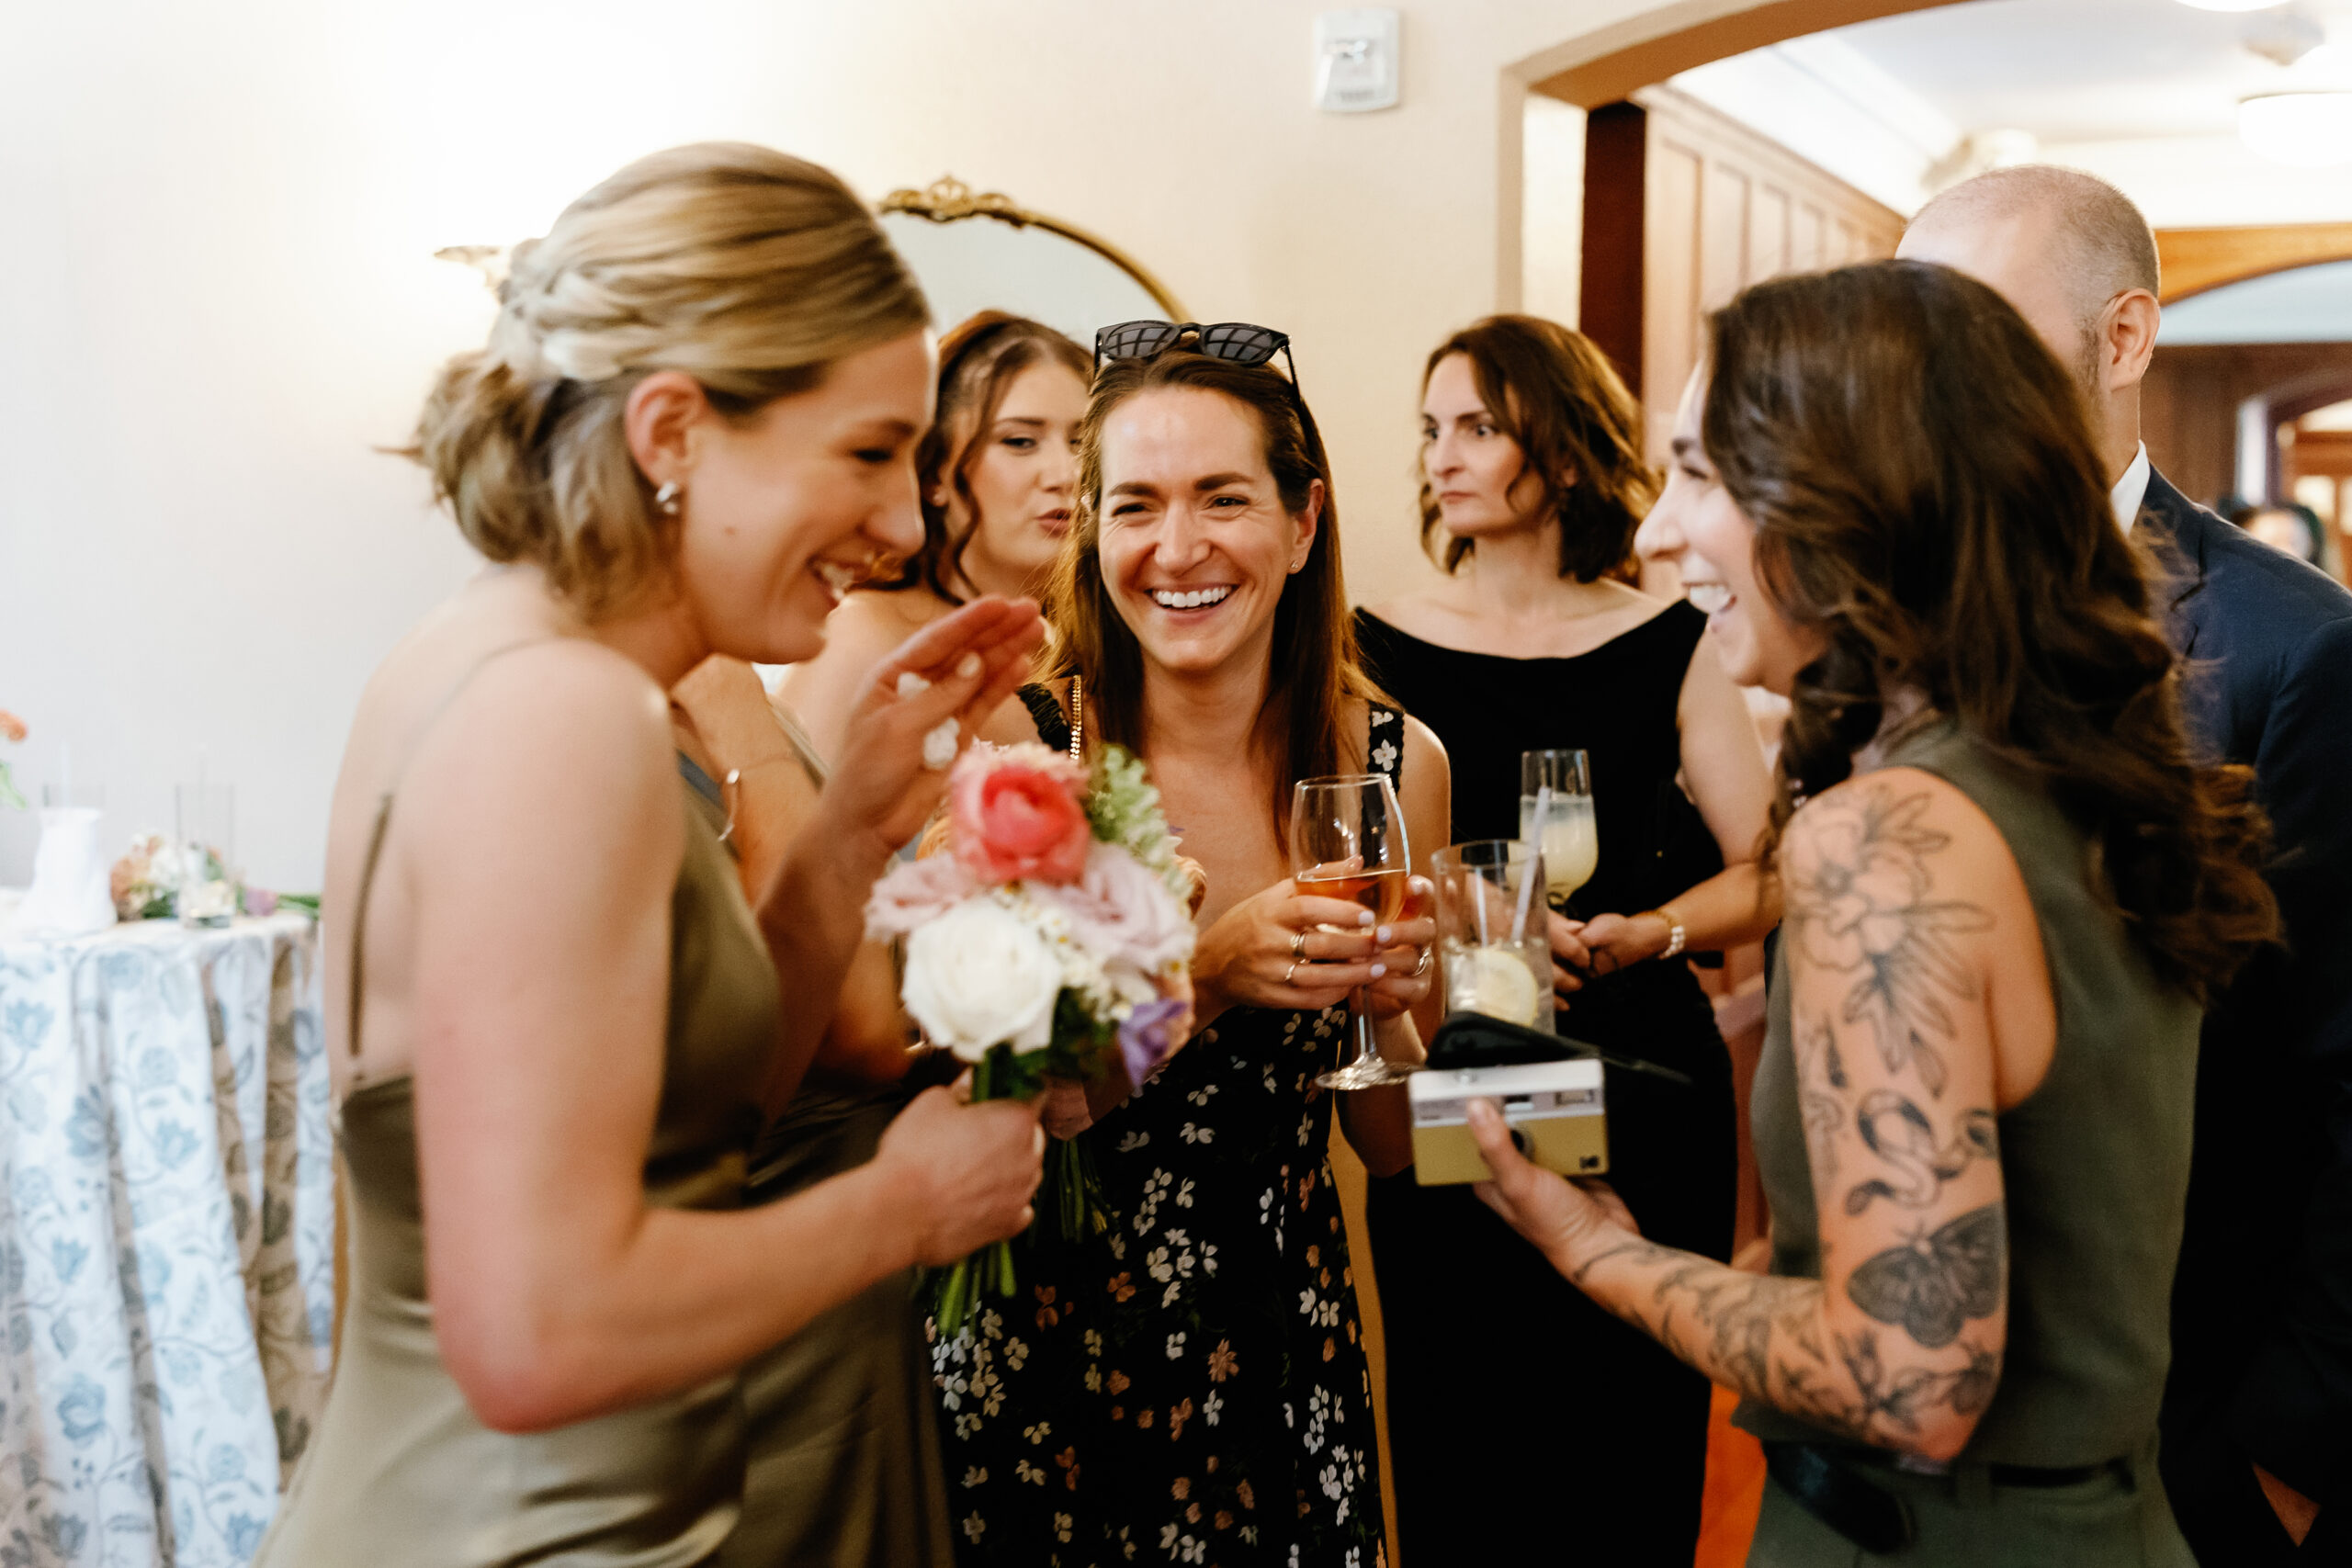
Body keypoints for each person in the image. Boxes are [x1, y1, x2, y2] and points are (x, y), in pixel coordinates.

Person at [260, 143, 1049, 1568]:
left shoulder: (526, 663)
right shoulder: (557, 712)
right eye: (868, 452)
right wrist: (904, 1204)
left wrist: (853, 829)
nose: (899, 523)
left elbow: (697, 1138)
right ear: (673, 430)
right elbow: (540, 1331)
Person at [1472, 260, 2277, 1564]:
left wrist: (1595, 1251)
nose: (1661, 532)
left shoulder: (1887, 840)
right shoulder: (2075, 768)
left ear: (1851, 497)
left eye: (1701, 475)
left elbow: (1909, 1372)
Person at [933, 330, 1444, 1567]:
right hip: (1055, 1360)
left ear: (1302, 520)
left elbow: (1392, 1146)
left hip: (1282, 1350)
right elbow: (1010, 1111)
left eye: (1223, 498)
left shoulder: (1392, 765)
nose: (1178, 549)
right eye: (1136, 506)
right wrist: (1206, 976)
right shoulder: (1025, 753)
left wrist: (1389, 1005)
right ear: (1091, 532)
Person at [1900, 166, 2352, 1562]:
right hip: (1926, 1412)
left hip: (2189, 1421)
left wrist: (2286, 1448)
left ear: (2123, 336)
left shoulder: (2295, 648)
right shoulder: (1879, 623)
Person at [1351, 313, 1777, 1566]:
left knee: (1628, 1435)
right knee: (1461, 1428)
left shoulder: (1671, 641)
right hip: (1461, 1060)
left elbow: (1771, 867)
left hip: (1638, 1069)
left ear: (1569, 447)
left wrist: (1654, 930)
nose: (1443, 454)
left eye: (1479, 425)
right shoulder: (1370, 645)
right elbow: (1352, 859)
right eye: (1432, 428)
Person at [669, 655, 963, 1568]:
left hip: (854, 1328)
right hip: (751, 1368)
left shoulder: (741, 694)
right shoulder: (658, 724)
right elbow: (858, 1023)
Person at [780, 311, 1091, 762]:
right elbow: (781, 805)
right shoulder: (864, 637)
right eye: (1020, 441)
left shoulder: (1080, 655)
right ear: (933, 474)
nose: (1066, 474)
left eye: (1082, 443)